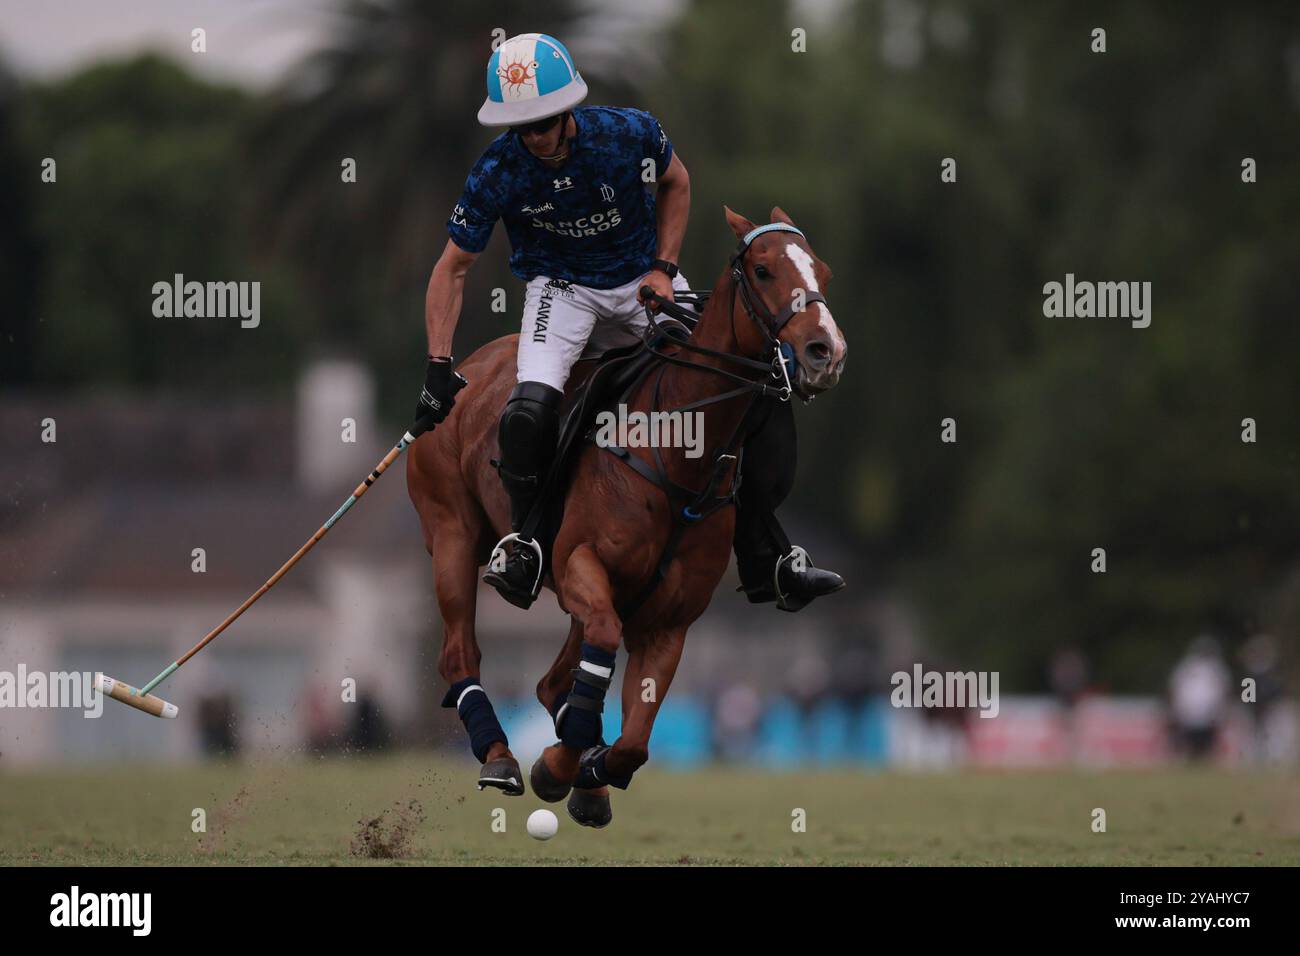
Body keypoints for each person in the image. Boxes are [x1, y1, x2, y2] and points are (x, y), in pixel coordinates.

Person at [413, 32, 844, 611]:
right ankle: (528, 546)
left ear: (569, 109)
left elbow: (678, 183)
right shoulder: (496, 171)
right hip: (561, 292)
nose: (536, 138)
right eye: (524, 128)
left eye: (545, 122)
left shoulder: (628, 133)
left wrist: (665, 267)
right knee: (528, 412)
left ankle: (766, 555)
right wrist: (439, 364)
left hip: (644, 282)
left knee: (749, 385)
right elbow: (452, 268)